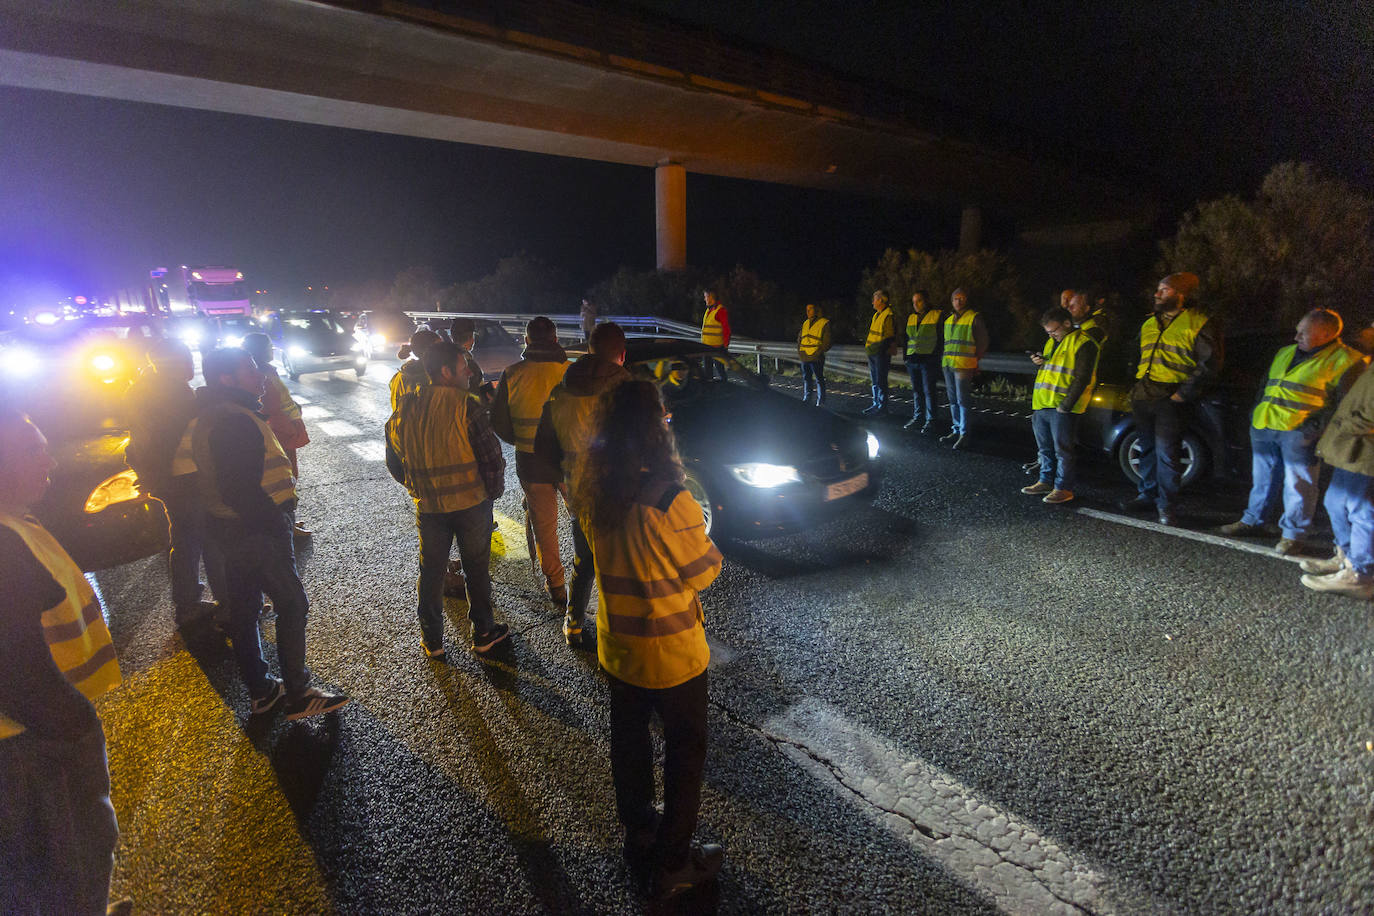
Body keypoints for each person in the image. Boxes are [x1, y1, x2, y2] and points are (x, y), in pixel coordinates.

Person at [573, 380, 725, 901]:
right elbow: (704, 572)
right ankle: (675, 862)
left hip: (618, 646)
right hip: (672, 652)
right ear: (652, 428)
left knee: (629, 741)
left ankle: (639, 831)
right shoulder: (670, 497)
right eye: (662, 418)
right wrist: (702, 531)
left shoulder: (594, 489)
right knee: (684, 751)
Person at [178, 348, 350, 720]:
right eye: (251, 370)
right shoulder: (233, 421)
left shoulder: (215, 415)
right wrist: (275, 522)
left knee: (245, 609)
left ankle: (262, 691)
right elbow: (239, 487)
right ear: (226, 378)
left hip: (230, 528)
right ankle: (299, 692)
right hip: (256, 530)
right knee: (292, 603)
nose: (261, 376)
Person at [0, 410, 124, 915]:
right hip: (31, 736)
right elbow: (15, 667)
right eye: (33, 450)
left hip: (31, 728)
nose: (49, 460)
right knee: (69, 856)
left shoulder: (15, 524)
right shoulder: (4, 544)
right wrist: (74, 722)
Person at [387, 341, 510, 657]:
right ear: (445, 373)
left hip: (429, 507)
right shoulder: (466, 407)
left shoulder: (406, 408)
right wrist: (491, 495)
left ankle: (432, 641)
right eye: (462, 366)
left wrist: (418, 486)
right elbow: (492, 459)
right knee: (476, 569)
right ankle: (483, 632)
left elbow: (395, 460)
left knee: (431, 572)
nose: (469, 372)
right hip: (471, 503)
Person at [1220, 310, 1365, 553]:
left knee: (1299, 484)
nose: (1296, 336)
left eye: (1303, 332)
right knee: (1263, 479)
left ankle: (1293, 535)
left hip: (1300, 432)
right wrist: (1255, 412)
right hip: (1265, 424)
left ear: (1327, 333)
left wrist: (1314, 430)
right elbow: (1265, 385)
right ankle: (1253, 520)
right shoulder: (1285, 352)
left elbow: (1344, 405)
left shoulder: (1349, 360)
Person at [534, 322, 630, 645]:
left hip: (578, 487)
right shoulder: (627, 390)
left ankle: (573, 622)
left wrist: (564, 479)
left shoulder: (561, 390)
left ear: (589, 350)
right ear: (621, 354)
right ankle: (617, 632)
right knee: (621, 561)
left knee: (585, 557)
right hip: (620, 489)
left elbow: (544, 446)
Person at [124, 338, 225, 623]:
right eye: (185, 358)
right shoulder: (170, 393)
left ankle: (193, 603)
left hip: (170, 480)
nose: (190, 363)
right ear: (170, 363)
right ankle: (217, 603)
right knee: (202, 540)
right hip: (183, 479)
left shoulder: (145, 388)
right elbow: (186, 433)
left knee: (187, 540)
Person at [1120, 272, 1222, 526]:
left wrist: (1182, 393)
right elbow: (1137, 358)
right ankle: (1147, 495)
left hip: (1170, 396)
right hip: (1144, 394)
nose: (1157, 294)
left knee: (1168, 454)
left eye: (1164, 290)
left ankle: (1166, 506)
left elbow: (1209, 364)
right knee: (1147, 450)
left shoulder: (1198, 322)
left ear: (1180, 294)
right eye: (1158, 289)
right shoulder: (1148, 323)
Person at [491, 317, 571, 607]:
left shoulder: (512, 374)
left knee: (544, 527)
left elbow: (498, 421)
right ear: (555, 339)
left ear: (526, 341)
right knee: (583, 521)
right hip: (568, 461)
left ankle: (557, 586)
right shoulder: (570, 373)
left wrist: (522, 440)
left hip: (531, 461)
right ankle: (589, 574)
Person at [1301, 364, 1374, 598]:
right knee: (1335, 502)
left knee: (1361, 511)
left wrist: (1343, 425)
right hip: (1351, 450)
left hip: (1365, 451)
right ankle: (1346, 557)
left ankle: (1360, 575)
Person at [1021, 307, 1099, 504]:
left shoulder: (1084, 343)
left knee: (1063, 451)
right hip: (1042, 404)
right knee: (1045, 449)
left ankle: (1063, 488)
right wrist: (1039, 362)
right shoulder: (1051, 342)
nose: (1051, 334)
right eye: (1047, 332)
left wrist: (1065, 406)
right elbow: (1051, 369)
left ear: (1066, 323)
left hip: (1062, 407)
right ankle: (1046, 481)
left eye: (1054, 330)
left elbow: (1082, 378)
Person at [242, 333, 312, 539]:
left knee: (288, 478)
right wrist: (290, 427)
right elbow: (270, 407)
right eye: (269, 346)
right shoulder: (260, 375)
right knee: (285, 480)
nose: (272, 349)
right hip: (279, 434)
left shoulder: (265, 371)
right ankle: (286, 526)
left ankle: (288, 521)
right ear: (260, 350)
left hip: (282, 431)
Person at [939, 288, 988, 448]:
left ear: (966, 300)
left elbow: (983, 341)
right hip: (948, 364)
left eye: (961, 298)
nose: (958, 301)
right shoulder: (948, 320)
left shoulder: (973, 317)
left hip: (964, 365)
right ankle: (957, 429)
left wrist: (975, 360)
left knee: (963, 400)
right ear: (951, 301)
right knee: (953, 400)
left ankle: (965, 434)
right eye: (955, 299)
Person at [903, 289, 942, 431]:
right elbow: (907, 338)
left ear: (926, 300)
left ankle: (931, 420)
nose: (916, 304)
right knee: (917, 391)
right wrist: (906, 358)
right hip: (913, 359)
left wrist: (935, 356)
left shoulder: (936, 315)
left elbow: (940, 338)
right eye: (914, 302)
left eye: (919, 300)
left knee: (929, 391)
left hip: (928, 360)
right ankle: (918, 417)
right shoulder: (911, 318)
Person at [390, 328, 441, 412]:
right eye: (441, 347)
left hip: (404, 423)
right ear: (430, 350)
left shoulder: (400, 374)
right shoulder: (431, 377)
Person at [862, 290, 896, 415]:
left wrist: (882, 351)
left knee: (881, 381)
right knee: (875, 381)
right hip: (873, 352)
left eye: (875, 299)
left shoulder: (888, 315)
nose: (873, 302)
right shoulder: (877, 315)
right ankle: (876, 404)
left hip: (880, 354)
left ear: (881, 300)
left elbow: (889, 336)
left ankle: (882, 407)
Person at [796, 302, 831, 406]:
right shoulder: (805, 323)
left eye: (810, 309)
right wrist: (800, 351)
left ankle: (821, 401)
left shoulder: (824, 323)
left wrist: (819, 351)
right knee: (806, 378)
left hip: (816, 357)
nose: (807, 311)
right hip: (805, 356)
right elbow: (799, 338)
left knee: (819, 379)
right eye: (807, 309)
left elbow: (828, 341)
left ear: (816, 310)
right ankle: (807, 398)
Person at [699, 290, 730, 381]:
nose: (704, 299)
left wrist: (725, 346)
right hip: (706, 347)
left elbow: (726, 329)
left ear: (710, 297)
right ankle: (710, 390)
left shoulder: (720, 310)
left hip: (717, 348)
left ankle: (725, 388)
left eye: (705, 297)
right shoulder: (709, 310)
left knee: (720, 371)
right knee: (708, 373)